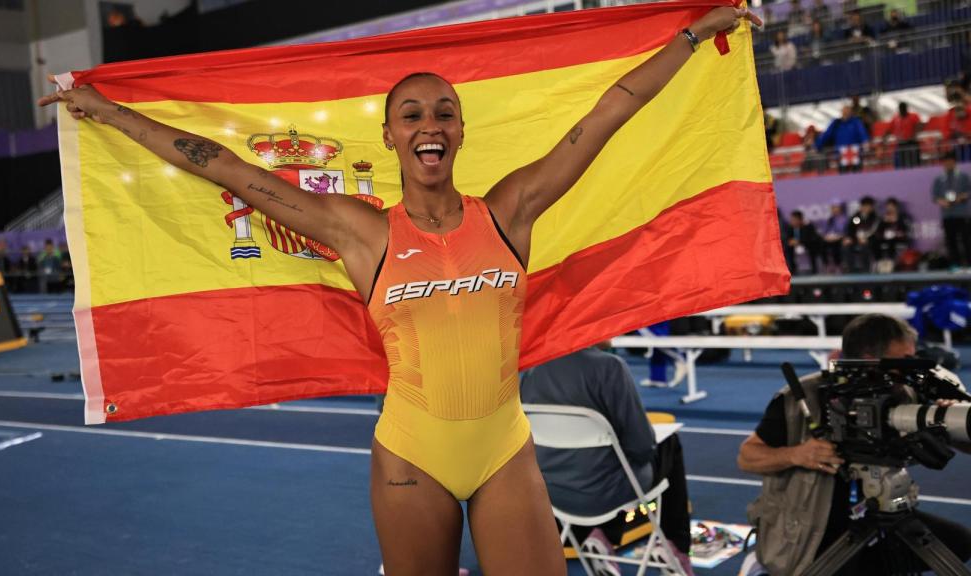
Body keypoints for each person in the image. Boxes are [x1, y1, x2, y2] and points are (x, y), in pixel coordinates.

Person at [39, 7, 758, 575]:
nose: (429, 125)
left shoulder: (510, 209)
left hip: (505, 449)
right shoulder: (361, 233)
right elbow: (224, 168)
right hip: (412, 457)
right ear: (389, 137)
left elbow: (606, 115)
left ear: (461, 130)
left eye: (443, 111)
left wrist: (693, 36)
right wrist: (107, 111)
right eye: (411, 115)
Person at [738, 314, 971, 576]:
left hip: (882, 510)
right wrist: (798, 454)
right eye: (903, 359)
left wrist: (950, 423)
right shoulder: (800, 399)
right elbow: (747, 456)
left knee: (960, 541)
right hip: (814, 530)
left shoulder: (904, 390)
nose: (910, 368)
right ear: (870, 358)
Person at [520, 342, 694, 576]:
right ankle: (675, 547)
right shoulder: (610, 368)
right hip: (609, 492)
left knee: (591, 463)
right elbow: (642, 446)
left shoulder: (529, 371)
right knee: (669, 445)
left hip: (554, 495)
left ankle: (594, 533)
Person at [931, 151, 971, 268]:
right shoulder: (939, 179)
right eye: (946, 162)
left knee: (966, 240)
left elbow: (968, 192)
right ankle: (955, 265)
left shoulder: (963, 177)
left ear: (955, 162)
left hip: (961, 213)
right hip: (947, 214)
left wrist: (960, 197)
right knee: (950, 241)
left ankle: (969, 264)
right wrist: (942, 201)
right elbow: (934, 196)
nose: (948, 164)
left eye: (950, 162)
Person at [816, 104, 869, 173]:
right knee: (843, 177)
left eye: (848, 111)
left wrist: (865, 142)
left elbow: (862, 133)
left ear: (851, 112)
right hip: (841, 154)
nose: (846, 113)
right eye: (844, 111)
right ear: (841, 112)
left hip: (855, 153)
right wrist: (817, 145)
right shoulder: (836, 123)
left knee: (857, 176)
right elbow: (826, 134)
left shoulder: (856, 122)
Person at [870, 198, 910, 272]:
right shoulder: (883, 218)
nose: (890, 208)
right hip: (885, 237)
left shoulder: (902, 217)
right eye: (888, 207)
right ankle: (879, 261)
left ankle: (891, 262)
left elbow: (905, 230)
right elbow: (878, 231)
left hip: (897, 238)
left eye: (892, 206)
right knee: (875, 242)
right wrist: (885, 222)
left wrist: (896, 222)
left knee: (892, 241)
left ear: (896, 207)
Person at [843, 196, 877, 272]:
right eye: (864, 206)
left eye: (868, 206)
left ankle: (866, 269)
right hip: (856, 239)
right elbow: (851, 229)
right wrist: (849, 238)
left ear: (872, 207)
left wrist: (866, 238)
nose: (865, 208)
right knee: (847, 246)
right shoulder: (856, 217)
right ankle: (850, 269)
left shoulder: (875, 218)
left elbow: (874, 230)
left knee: (864, 246)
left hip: (869, 240)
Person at [882, 102, 921, 168]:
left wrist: (914, 134)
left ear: (906, 109)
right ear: (899, 109)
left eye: (904, 109)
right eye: (901, 109)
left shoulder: (913, 116)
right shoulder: (896, 119)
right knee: (902, 162)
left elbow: (919, 125)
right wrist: (884, 137)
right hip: (901, 143)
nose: (902, 111)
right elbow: (889, 129)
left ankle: (916, 169)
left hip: (912, 142)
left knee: (914, 161)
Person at [783, 210, 822, 274]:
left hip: (806, 245)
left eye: (794, 219)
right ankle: (792, 270)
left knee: (813, 248)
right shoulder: (789, 228)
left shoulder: (808, 227)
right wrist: (790, 241)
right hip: (794, 247)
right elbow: (787, 238)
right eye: (792, 219)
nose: (792, 221)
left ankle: (814, 270)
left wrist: (799, 241)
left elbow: (811, 238)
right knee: (787, 249)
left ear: (800, 219)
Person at [821, 202, 848, 273]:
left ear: (840, 208)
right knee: (821, 244)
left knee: (836, 245)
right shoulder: (829, 219)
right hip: (829, 238)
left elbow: (845, 231)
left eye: (836, 208)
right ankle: (827, 265)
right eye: (833, 208)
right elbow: (824, 231)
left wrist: (838, 236)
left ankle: (838, 265)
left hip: (840, 238)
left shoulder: (845, 219)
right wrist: (826, 236)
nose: (834, 210)